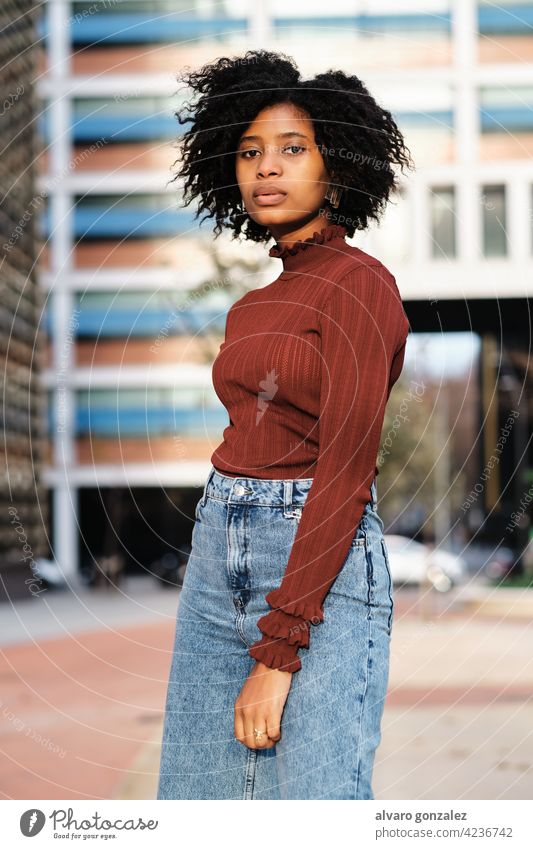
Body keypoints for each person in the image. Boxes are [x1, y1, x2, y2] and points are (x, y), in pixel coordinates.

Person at [157, 48, 413, 800]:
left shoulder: (362, 286)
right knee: (196, 802)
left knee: (316, 806)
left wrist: (278, 650)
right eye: (249, 152)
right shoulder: (249, 306)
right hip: (214, 560)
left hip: (318, 567)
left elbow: (345, 469)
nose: (266, 168)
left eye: (291, 150)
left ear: (337, 166)